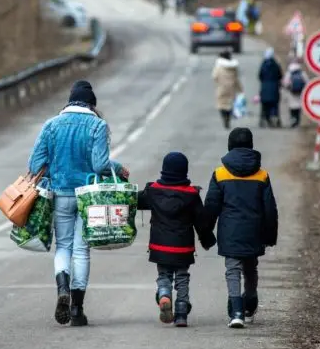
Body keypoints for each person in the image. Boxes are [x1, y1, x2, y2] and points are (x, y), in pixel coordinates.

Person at [28, 80, 129, 327]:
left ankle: (62, 288)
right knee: (82, 250)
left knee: (63, 246)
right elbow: (101, 166)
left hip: (60, 193)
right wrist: (118, 168)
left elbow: (34, 165)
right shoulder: (97, 125)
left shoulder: (51, 125)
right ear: (92, 104)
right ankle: (77, 309)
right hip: (89, 197)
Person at [203, 127, 278, 329]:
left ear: (230, 145)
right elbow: (269, 208)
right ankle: (250, 301)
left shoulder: (220, 173)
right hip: (254, 231)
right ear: (251, 146)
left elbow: (211, 206)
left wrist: (205, 231)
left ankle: (236, 311)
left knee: (232, 269)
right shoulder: (262, 175)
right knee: (250, 267)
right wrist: (270, 235)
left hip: (230, 230)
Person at [137, 152, 216, 327]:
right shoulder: (191, 194)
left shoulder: (153, 191)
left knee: (164, 274)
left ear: (164, 170)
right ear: (185, 171)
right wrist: (208, 240)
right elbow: (201, 223)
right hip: (183, 248)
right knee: (182, 277)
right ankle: (181, 313)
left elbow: (136, 200)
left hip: (159, 246)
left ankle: (164, 294)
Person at [212, 50, 243, 129]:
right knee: (230, 105)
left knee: (221, 104)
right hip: (232, 89)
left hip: (221, 88)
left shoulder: (218, 67)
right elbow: (236, 79)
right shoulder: (234, 67)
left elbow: (214, 77)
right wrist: (240, 90)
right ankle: (228, 119)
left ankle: (224, 118)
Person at [258, 48, 283, 128]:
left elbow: (260, 76)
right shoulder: (276, 65)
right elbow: (280, 75)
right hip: (274, 88)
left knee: (265, 106)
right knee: (274, 105)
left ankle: (265, 120)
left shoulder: (263, 64)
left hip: (265, 88)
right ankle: (275, 119)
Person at [282, 60, 308, 128]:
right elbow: (307, 83)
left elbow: (285, 83)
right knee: (298, 108)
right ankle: (297, 121)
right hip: (300, 94)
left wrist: (287, 89)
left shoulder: (289, 73)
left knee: (292, 108)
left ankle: (293, 121)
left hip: (291, 94)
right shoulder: (302, 73)